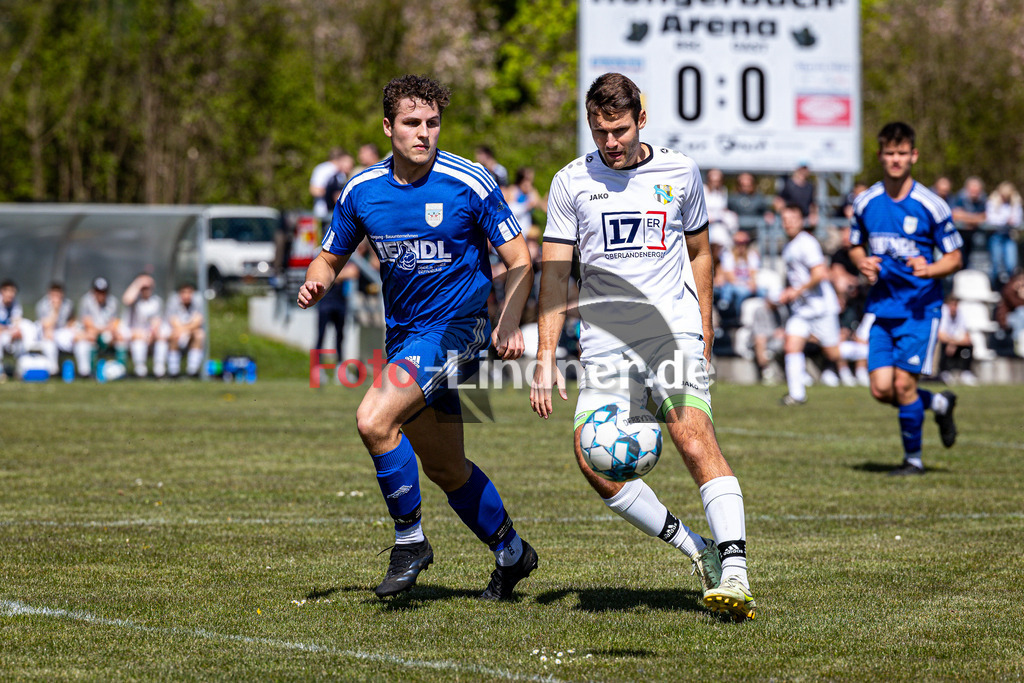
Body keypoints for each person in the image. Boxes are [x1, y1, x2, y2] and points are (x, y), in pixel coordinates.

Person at [297, 74, 537, 601]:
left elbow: (520, 260)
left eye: (432, 123)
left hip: (458, 331)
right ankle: (512, 550)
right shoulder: (362, 190)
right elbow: (330, 253)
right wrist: (319, 276)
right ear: (388, 127)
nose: (423, 133)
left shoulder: (470, 182)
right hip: (407, 337)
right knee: (446, 468)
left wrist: (510, 321)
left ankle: (411, 542)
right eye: (411, 123)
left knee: (374, 419)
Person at [530, 72, 756, 620]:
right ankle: (696, 550)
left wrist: (701, 329)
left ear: (641, 120)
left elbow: (700, 252)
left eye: (620, 129)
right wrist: (545, 355)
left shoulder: (681, 172)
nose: (610, 141)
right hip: (605, 342)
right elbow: (557, 276)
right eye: (599, 129)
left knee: (691, 436)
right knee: (594, 459)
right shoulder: (569, 183)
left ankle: (736, 572)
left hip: (671, 330)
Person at [849, 122, 963, 476]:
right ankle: (940, 402)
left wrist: (929, 269)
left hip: (919, 309)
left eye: (902, 153)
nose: (895, 160)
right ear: (881, 155)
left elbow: (955, 257)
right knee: (882, 389)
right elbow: (854, 245)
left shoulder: (931, 204)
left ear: (913, 155)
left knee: (903, 384)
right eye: (889, 153)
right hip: (883, 307)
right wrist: (862, 261)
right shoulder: (866, 201)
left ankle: (913, 460)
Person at [776, 204, 844, 403]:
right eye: (785, 220)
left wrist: (796, 291)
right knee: (791, 345)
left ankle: (875, 353)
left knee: (834, 352)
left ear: (801, 221)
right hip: (803, 309)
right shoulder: (789, 245)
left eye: (792, 219)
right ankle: (797, 395)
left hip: (821, 307)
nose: (788, 224)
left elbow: (820, 273)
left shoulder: (806, 242)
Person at [74, 276, 126, 378]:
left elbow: (113, 323)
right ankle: (90, 371)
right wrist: (101, 331)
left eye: (103, 292)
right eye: (98, 291)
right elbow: (87, 323)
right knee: (88, 339)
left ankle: (121, 371)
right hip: (90, 333)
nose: (101, 295)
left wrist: (106, 332)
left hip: (105, 332)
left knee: (119, 339)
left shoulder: (112, 302)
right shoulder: (86, 301)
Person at [122, 274, 167, 378]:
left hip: (150, 334)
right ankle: (140, 369)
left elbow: (157, 321)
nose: (146, 290)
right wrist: (138, 283)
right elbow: (126, 299)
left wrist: (152, 333)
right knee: (139, 342)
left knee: (162, 339)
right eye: (144, 287)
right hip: (134, 334)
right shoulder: (135, 300)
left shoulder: (156, 301)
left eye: (148, 287)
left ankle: (159, 369)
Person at [984, 180, 1022, 287]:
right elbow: (991, 219)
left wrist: (1008, 220)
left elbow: (1017, 220)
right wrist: (1005, 220)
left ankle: (1009, 288)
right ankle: (995, 288)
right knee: (996, 264)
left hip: (1009, 235)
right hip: (996, 236)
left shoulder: (1015, 202)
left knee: (1011, 264)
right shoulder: (992, 201)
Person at [164, 282, 205, 377]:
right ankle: (173, 371)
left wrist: (185, 331)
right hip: (176, 333)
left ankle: (192, 370)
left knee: (199, 334)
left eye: (189, 292)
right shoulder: (173, 302)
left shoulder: (198, 302)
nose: (186, 295)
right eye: (183, 292)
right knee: (174, 334)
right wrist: (183, 331)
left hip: (190, 333)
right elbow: (173, 321)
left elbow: (198, 321)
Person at [35, 281, 77, 374]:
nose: (56, 296)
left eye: (58, 293)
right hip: (46, 334)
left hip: (62, 333)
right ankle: (53, 371)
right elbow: (46, 326)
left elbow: (71, 321)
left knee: (78, 340)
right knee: (49, 344)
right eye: (54, 293)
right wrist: (55, 310)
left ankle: (79, 371)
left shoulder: (68, 304)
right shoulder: (42, 305)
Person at [937, 296, 977, 386]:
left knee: (968, 347)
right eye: (952, 305)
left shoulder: (961, 314)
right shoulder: (943, 313)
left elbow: (967, 338)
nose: (954, 308)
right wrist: (952, 342)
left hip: (954, 342)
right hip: (946, 343)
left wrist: (953, 343)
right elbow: (941, 335)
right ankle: (944, 372)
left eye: (955, 305)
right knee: (943, 345)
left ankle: (966, 372)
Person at [0, 279, 34, 380]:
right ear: (2, 291)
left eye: (13, 292)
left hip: (8, 335)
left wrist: (15, 332)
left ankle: (20, 370)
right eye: (8, 291)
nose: (10, 294)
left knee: (20, 338)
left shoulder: (16, 305)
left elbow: (17, 322)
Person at [950, 176, 986, 269]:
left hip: (977, 238)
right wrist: (975, 218)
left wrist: (965, 217)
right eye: (972, 189)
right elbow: (955, 215)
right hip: (960, 236)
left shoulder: (983, 199)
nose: (974, 192)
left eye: (976, 190)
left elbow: (985, 217)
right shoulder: (959, 197)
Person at [310, 147, 349, 222]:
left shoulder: (341, 172)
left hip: (335, 213)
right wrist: (331, 193)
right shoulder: (324, 169)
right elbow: (314, 190)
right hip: (323, 213)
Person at [774, 161, 817, 226]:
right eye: (802, 168)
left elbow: (812, 204)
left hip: (804, 219)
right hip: (790, 218)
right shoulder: (788, 184)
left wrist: (813, 214)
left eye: (805, 169)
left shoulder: (810, 186)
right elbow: (778, 201)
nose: (803, 171)